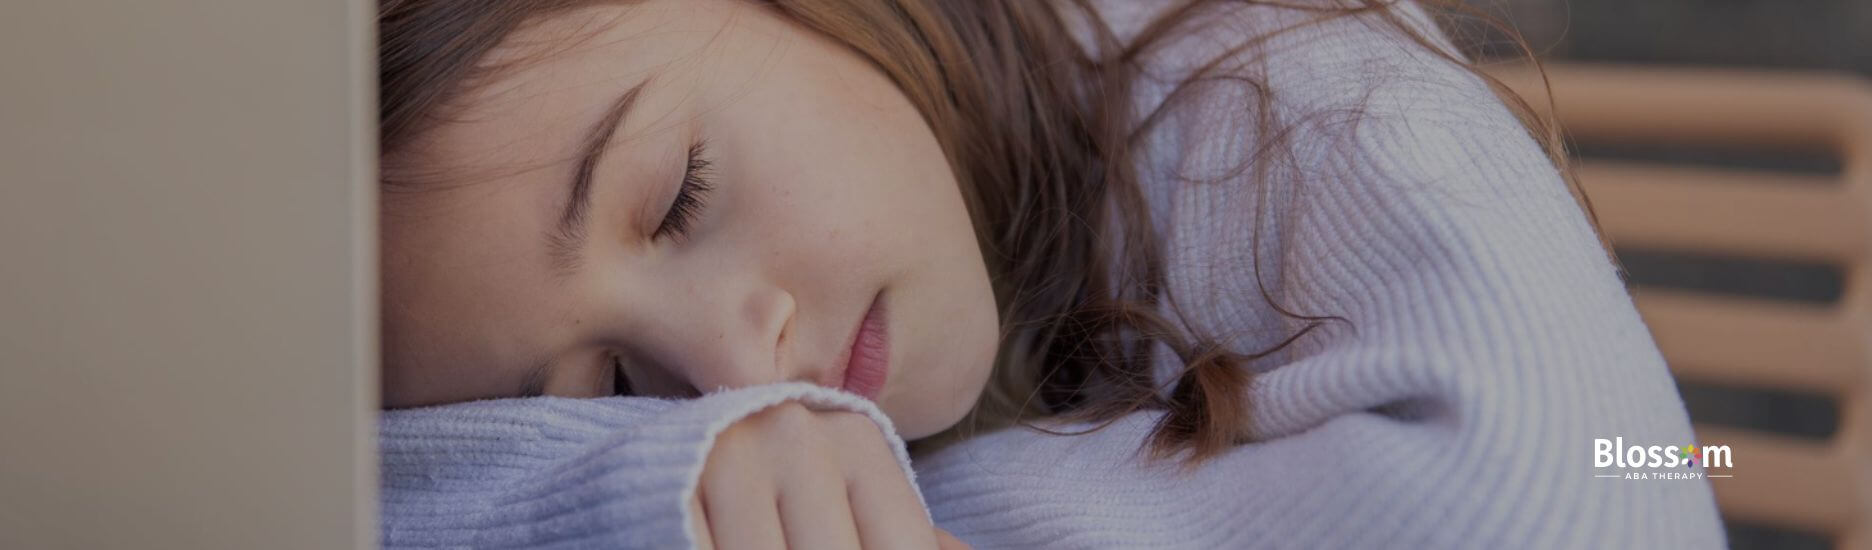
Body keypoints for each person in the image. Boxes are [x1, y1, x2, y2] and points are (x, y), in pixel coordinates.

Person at [376, 0, 1725, 547]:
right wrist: (626, 477)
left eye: (680, 198)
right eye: (609, 394)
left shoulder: (1277, 84)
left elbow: (1596, 499)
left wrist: (920, 505)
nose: (738, 373)